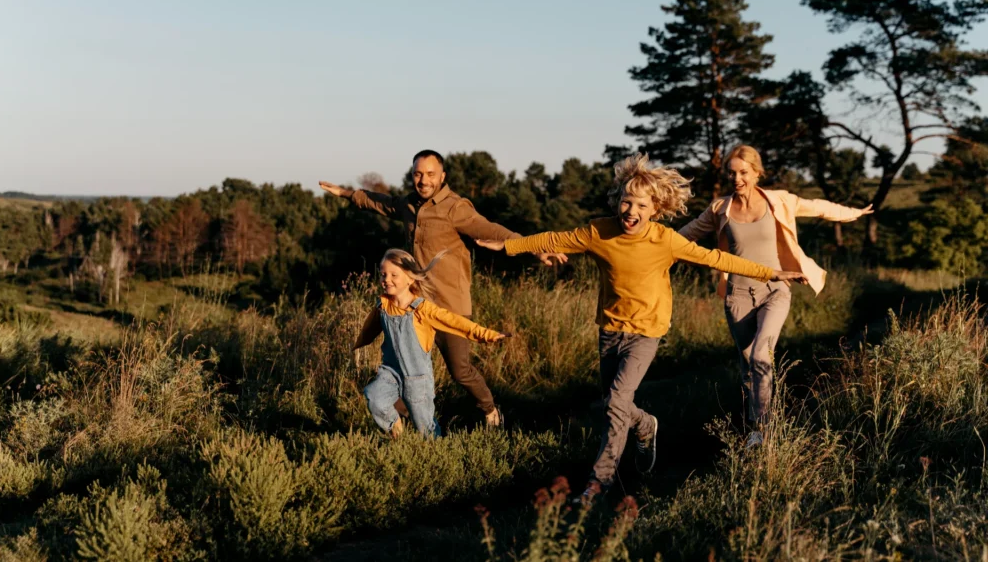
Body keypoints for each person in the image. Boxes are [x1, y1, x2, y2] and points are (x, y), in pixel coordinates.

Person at [476, 153, 806, 498]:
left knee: (617, 401)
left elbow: (716, 258)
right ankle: (646, 425)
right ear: (618, 201)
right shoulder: (598, 232)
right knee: (611, 403)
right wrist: (507, 246)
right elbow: (553, 239)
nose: (631, 211)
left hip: (647, 333)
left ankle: (598, 483)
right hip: (610, 330)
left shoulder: (665, 240)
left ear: (654, 210)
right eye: (626, 201)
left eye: (641, 206)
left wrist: (772, 272)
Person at [320, 150, 564, 428]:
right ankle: (408, 418)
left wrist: (534, 248)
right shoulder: (409, 204)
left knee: (460, 370)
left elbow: (492, 230)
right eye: (418, 174)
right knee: (405, 368)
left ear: (442, 177)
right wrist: (346, 193)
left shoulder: (455, 208)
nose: (423, 180)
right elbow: (381, 203)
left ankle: (489, 410)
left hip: (450, 303)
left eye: (430, 174)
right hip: (415, 307)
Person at [678, 145, 872, 448]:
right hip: (738, 294)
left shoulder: (778, 200)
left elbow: (817, 206)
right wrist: (650, 247)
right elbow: (684, 236)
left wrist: (854, 213)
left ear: (757, 172)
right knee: (747, 366)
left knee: (759, 355)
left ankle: (763, 429)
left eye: (744, 172)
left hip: (776, 290)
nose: (737, 178)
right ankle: (753, 427)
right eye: (732, 173)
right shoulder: (720, 209)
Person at [354, 249, 510, 438]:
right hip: (391, 372)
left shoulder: (423, 309)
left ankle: (436, 454)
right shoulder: (383, 306)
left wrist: (487, 334)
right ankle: (396, 430)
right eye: (383, 274)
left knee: (425, 428)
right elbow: (370, 327)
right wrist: (358, 344)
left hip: (417, 379)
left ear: (410, 279)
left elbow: (455, 322)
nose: (386, 279)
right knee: (374, 396)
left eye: (394, 275)